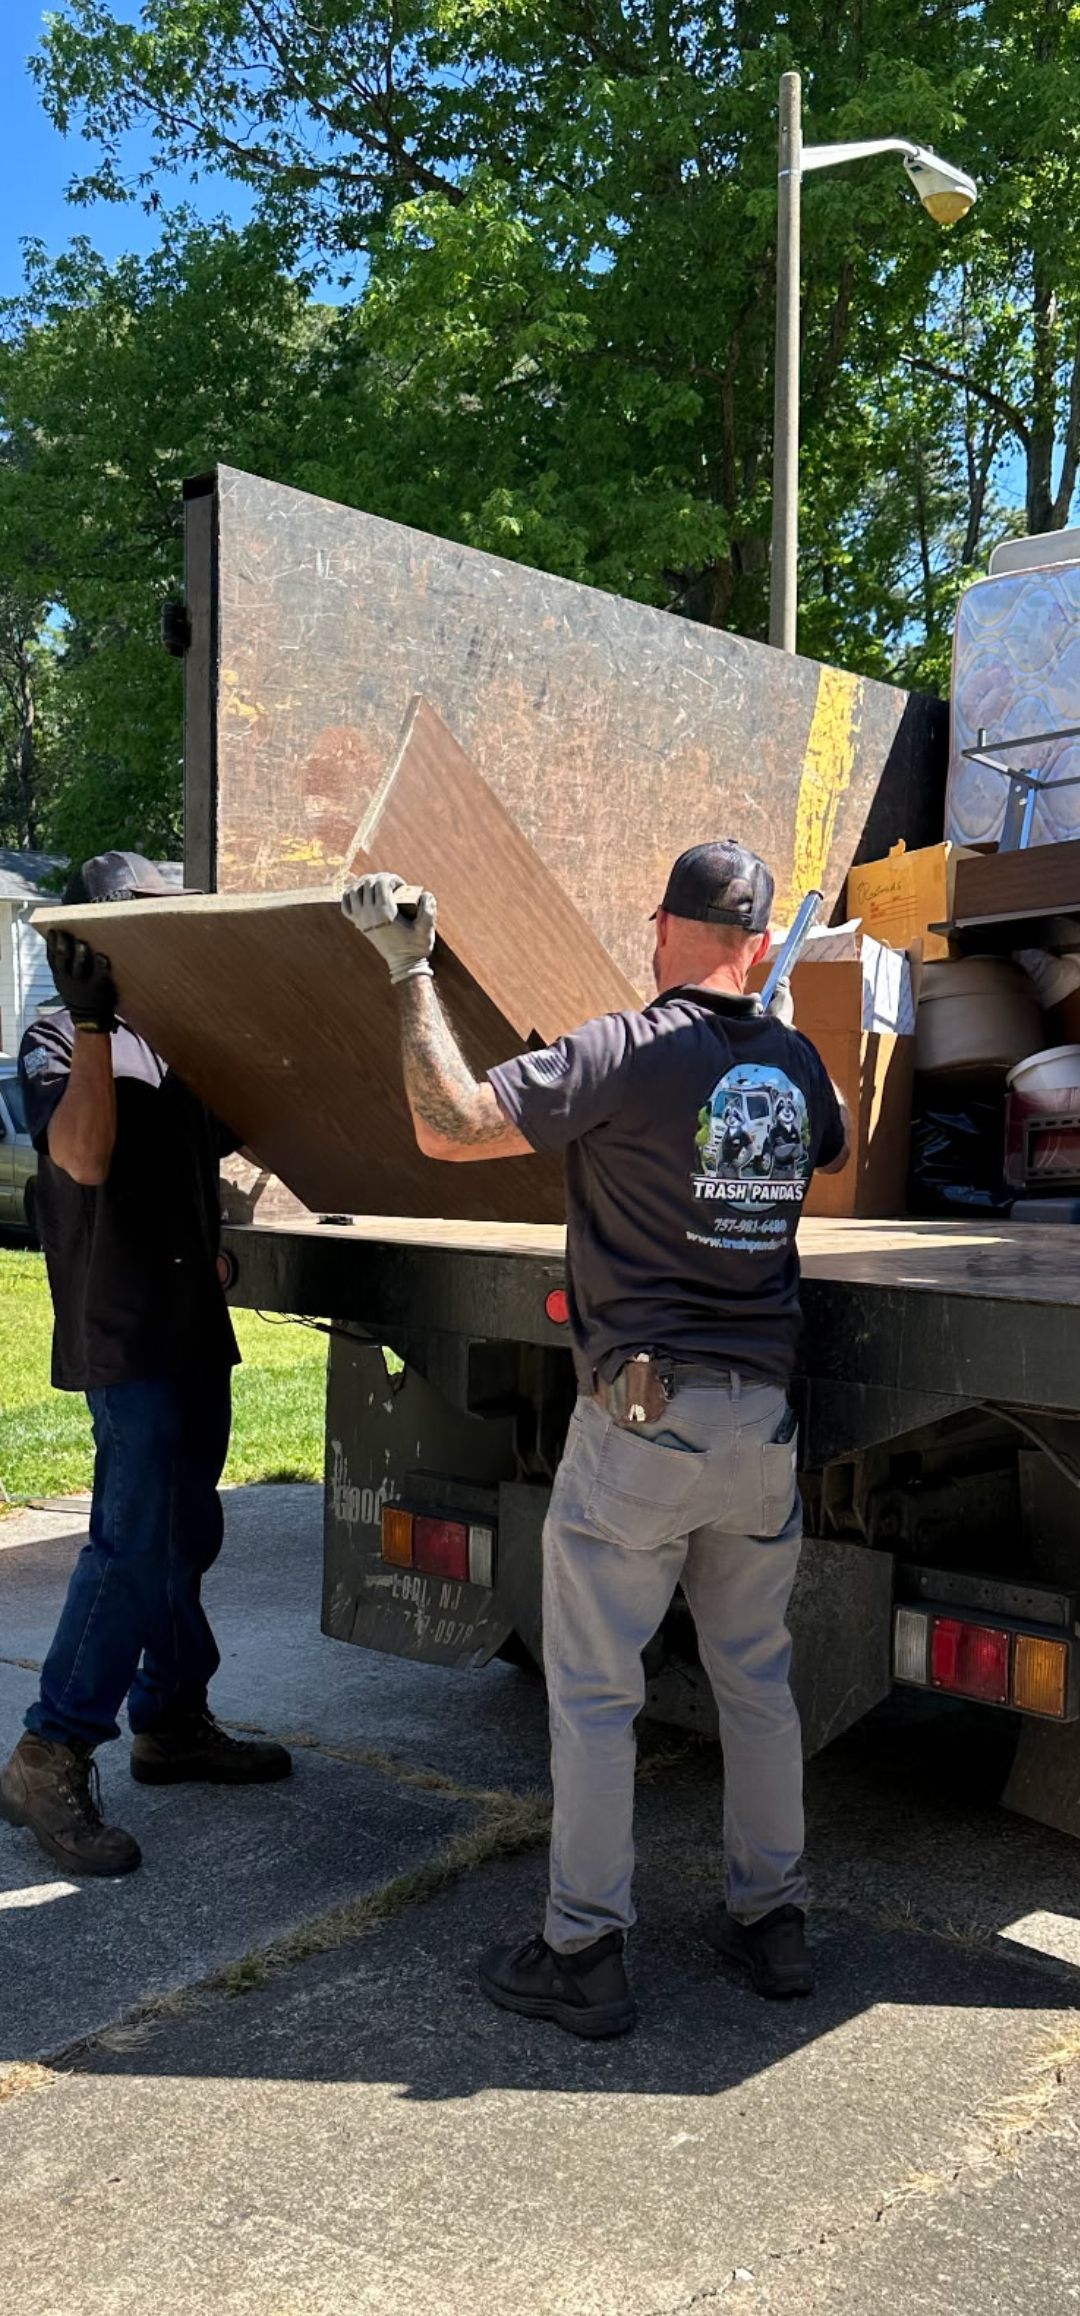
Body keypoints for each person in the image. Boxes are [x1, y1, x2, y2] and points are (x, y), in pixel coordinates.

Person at [343, 841, 850, 2038]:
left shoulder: (622, 1051)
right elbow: (825, 1149)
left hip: (643, 1422)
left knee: (593, 1692)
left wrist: (409, 970)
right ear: (762, 946)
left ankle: (584, 1951)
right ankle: (773, 1923)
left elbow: (453, 1126)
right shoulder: (795, 1061)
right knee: (758, 1682)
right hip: (761, 1422)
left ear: (660, 928)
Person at [0, 852, 291, 1878]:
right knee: (130, 1545)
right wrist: (90, 1024)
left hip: (188, 1324)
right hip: (122, 1336)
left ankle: (170, 1720)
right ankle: (51, 1749)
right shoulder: (56, 1041)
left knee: (186, 1533)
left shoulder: (177, 1050)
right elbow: (80, 1157)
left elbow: (234, 1135)